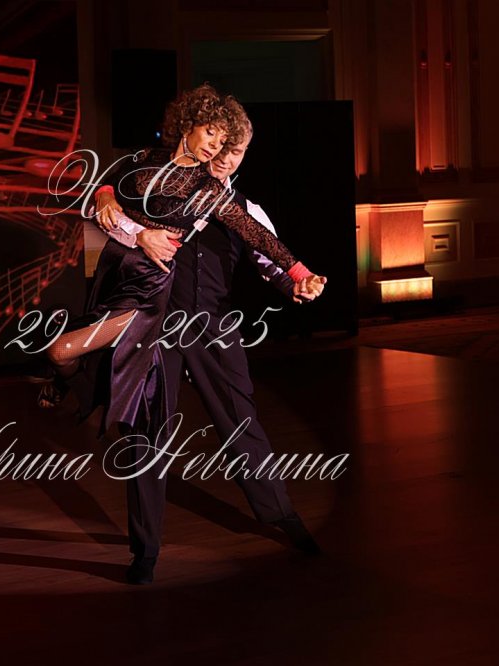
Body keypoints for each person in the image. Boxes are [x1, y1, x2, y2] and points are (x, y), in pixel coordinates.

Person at [93, 118, 325, 584]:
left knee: (240, 420)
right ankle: (145, 551)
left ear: (243, 158)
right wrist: (106, 197)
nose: (223, 158)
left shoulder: (246, 209)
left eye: (234, 152)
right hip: (157, 325)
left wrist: (296, 283)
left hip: (213, 325)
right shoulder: (162, 186)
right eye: (218, 148)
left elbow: (269, 259)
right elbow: (114, 189)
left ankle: (280, 514)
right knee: (147, 431)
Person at [42, 85, 323, 435]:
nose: (215, 146)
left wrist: (299, 272)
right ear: (188, 124)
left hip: (146, 296)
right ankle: (78, 387)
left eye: (223, 141)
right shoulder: (146, 158)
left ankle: (77, 390)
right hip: (115, 279)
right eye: (210, 132)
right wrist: (105, 195)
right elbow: (110, 181)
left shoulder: (208, 189)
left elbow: (256, 234)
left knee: (60, 351)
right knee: (84, 359)